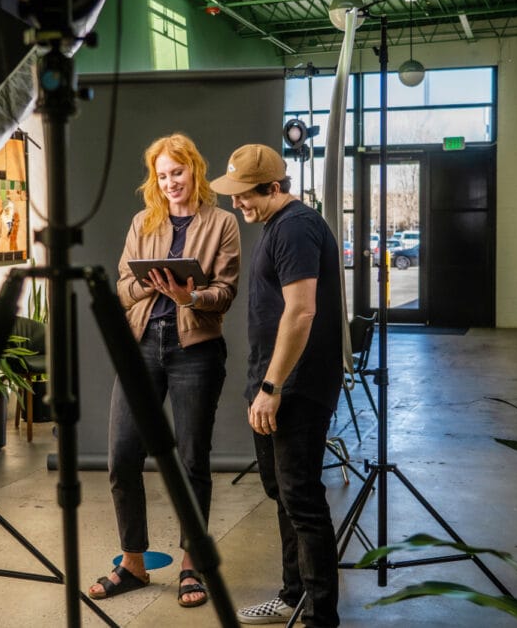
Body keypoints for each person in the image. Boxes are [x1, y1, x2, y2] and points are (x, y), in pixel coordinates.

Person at [88, 133, 241, 609]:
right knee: (122, 458)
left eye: (178, 172)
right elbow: (122, 284)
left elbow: (226, 292)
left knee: (193, 460)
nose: (171, 182)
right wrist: (152, 287)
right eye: (162, 175)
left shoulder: (223, 223)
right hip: (142, 349)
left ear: (194, 170)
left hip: (194, 350)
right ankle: (132, 563)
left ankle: (192, 563)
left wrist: (189, 297)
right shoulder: (143, 222)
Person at [210, 143, 343, 627]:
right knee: (283, 496)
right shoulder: (274, 226)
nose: (236, 204)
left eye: (244, 195)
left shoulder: (296, 227)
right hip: (272, 384)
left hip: (295, 388)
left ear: (274, 187)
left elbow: (302, 310)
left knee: (302, 500)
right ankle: (294, 596)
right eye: (233, 195)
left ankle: (320, 618)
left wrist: (271, 386)